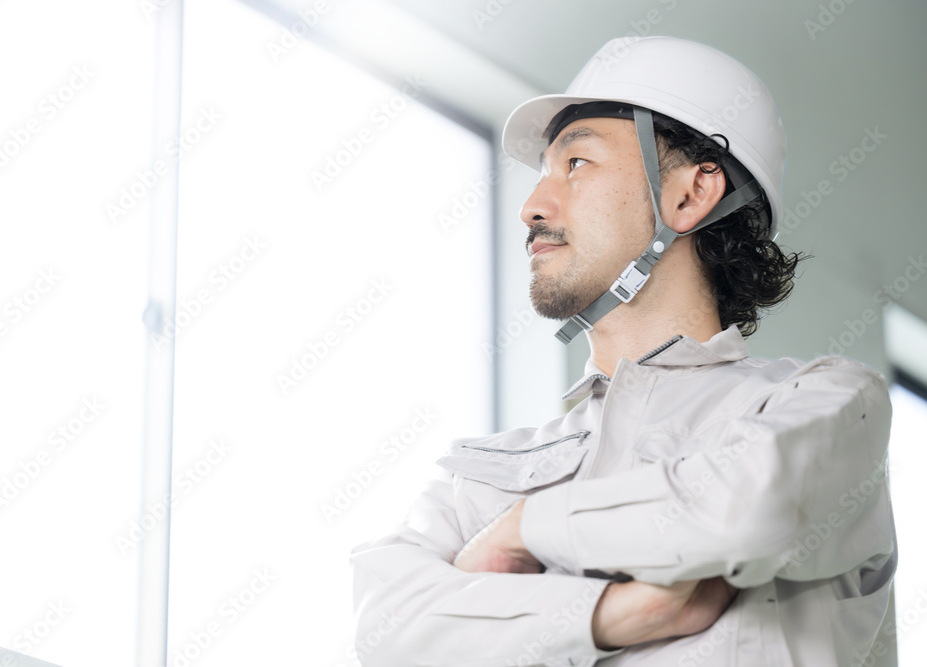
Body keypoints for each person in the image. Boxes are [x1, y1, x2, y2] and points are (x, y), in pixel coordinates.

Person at [350, 35, 897, 666]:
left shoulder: (826, 404)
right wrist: (611, 616)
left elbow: (750, 507)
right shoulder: (482, 474)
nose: (531, 207)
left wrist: (523, 530)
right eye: (541, 174)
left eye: (577, 163)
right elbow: (386, 629)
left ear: (689, 195)